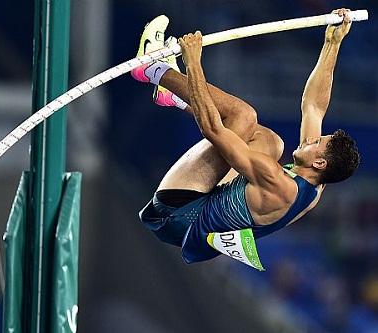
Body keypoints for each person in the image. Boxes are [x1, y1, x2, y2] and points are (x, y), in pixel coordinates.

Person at [131, 9, 360, 263]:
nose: (309, 140)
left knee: (243, 116)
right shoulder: (316, 182)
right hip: (208, 204)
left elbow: (213, 129)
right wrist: (332, 43)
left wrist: (193, 63)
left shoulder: (279, 184)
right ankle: (171, 95)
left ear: (319, 162)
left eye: (316, 143)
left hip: (175, 214)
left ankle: (152, 68)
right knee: (271, 142)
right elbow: (314, 107)